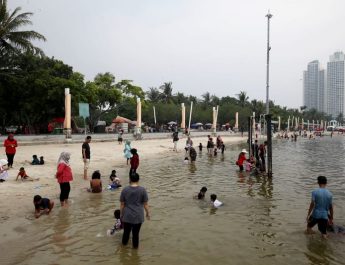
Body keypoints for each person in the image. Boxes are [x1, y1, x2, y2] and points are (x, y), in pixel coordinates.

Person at [120, 173, 150, 249]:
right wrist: (147, 213)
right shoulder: (142, 190)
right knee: (135, 235)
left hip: (127, 215)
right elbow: (145, 204)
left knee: (126, 233)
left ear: (130, 179)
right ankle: (135, 253)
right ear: (138, 180)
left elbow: (122, 204)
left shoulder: (125, 190)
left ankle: (123, 251)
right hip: (138, 216)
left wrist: (121, 214)